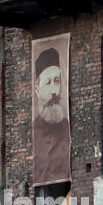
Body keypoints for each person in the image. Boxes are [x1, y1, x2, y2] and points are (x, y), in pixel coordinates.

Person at [32, 46, 71, 187]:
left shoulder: (67, 126)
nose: (54, 91)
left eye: (57, 81)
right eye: (48, 83)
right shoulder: (34, 131)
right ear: (37, 90)